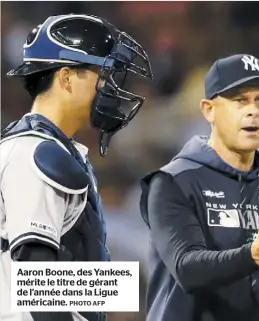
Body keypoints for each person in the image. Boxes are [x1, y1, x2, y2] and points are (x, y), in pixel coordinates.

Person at [139, 54, 259, 321]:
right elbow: (186, 268)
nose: (252, 111)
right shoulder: (173, 182)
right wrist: (253, 255)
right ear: (208, 109)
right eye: (240, 100)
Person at [0, 14, 153, 321]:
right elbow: (37, 282)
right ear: (67, 77)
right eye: (104, 74)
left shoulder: (56, 149)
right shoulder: (32, 152)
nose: (111, 87)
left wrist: (122, 288)